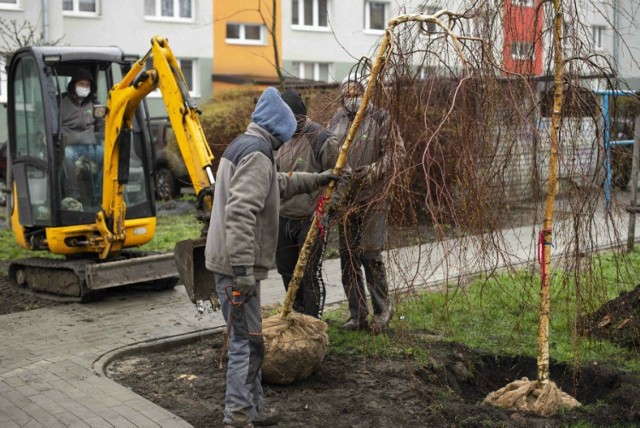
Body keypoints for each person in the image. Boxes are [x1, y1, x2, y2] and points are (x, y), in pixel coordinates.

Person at [204, 87, 338, 428]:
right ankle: (237, 419)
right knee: (245, 347)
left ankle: (251, 412)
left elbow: (276, 183)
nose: (287, 141)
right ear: (278, 127)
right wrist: (243, 271)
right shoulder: (257, 154)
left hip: (232, 263)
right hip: (237, 268)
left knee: (252, 345)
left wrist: (318, 179)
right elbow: (240, 213)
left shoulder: (244, 145)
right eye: (287, 132)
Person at [328, 72, 405, 333]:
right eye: (346, 94)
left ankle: (383, 310)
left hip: (373, 197)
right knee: (348, 257)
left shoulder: (381, 118)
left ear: (366, 92)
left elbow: (396, 154)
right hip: (346, 198)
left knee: (370, 254)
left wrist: (373, 170)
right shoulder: (337, 119)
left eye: (356, 93)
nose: (351, 99)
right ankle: (357, 314)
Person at [275, 89, 349, 318]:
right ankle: (296, 314)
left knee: (309, 273)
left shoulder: (321, 139)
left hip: (311, 218)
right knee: (286, 270)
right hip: (283, 217)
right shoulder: (279, 137)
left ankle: (313, 320)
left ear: (300, 116)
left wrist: (326, 208)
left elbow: (344, 175)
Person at [61, 68, 105, 206]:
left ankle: (99, 197)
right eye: (82, 84)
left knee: (108, 156)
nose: (84, 88)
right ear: (73, 85)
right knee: (67, 156)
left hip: (91, 146)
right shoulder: (60, 102)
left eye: (87, 85)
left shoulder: (95, 104)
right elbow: (42, 121)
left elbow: (102, 125)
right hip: (69, 146)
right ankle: (74, 198)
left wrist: (104, 135)